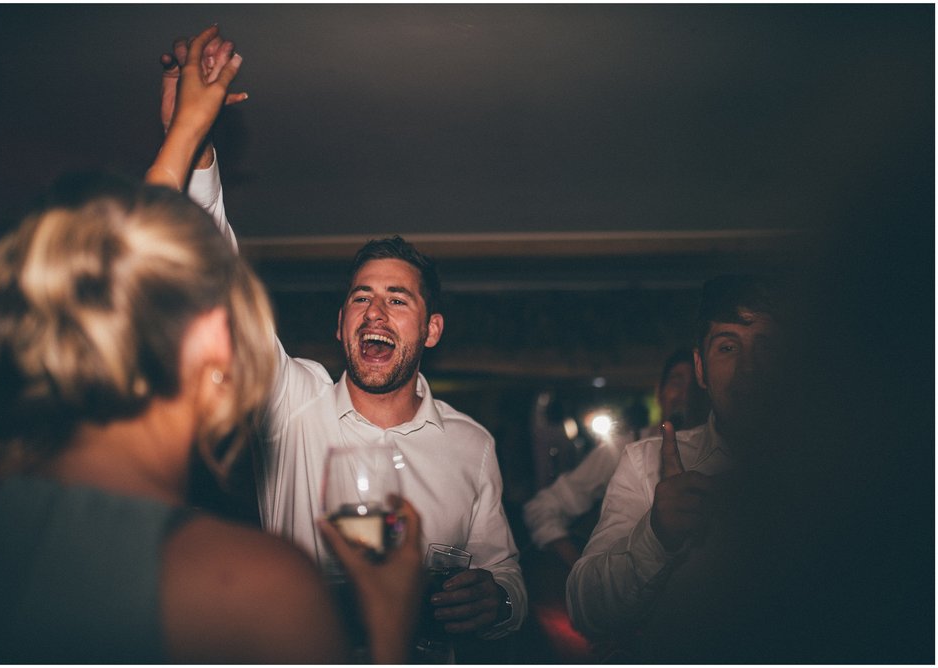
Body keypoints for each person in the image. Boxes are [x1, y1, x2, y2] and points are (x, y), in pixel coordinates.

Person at [0, 26, 424, 664]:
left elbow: (124, 269)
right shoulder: (255, 587)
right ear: (213, 346)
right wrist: (391, 617)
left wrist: (186, 137)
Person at [159, 36, 527, 641]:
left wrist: (499, 601)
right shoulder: (291, 403)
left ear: (432, 330)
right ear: (341, 325)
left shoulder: (472, 444)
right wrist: (191, 139)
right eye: (360, 297)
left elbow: (503, 571)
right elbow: (217, 281)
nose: (374, 313)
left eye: (397, 299)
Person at [565, 274, 784, 662]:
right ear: (701, 369)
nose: (748, 368)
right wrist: (657, 535)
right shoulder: (644, 462)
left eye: (766, 347)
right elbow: (587, 608)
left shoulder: (850, 467)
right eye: (728, 347)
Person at [523, 348, 708, 570]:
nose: (686, 395)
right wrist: (578, 568)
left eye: (696, 386)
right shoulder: (623, 448)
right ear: (659, 391)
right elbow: (542, 508)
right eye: (677, 383)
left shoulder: (722, 455)